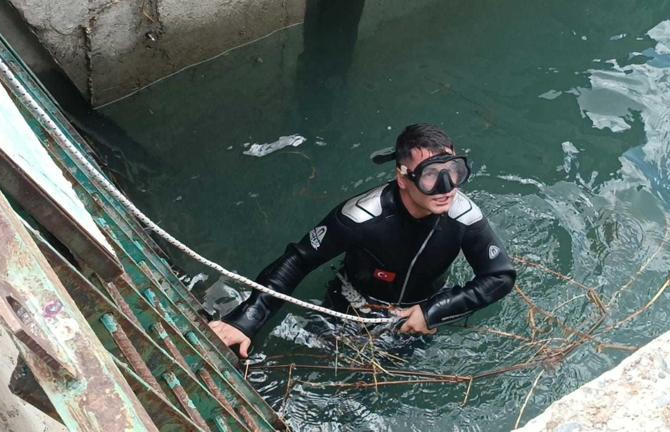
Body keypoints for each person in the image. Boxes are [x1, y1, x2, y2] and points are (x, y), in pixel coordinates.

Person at [209, 124, 516, 357]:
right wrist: (247, 318)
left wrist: (434, 310)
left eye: (454, 171)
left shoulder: (463, 216)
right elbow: (299, 259)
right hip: (349, 306)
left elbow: (499, 276)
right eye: (431, 175)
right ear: (403, 178)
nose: (447, 188)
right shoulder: (361, 216)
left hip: (418, 316)